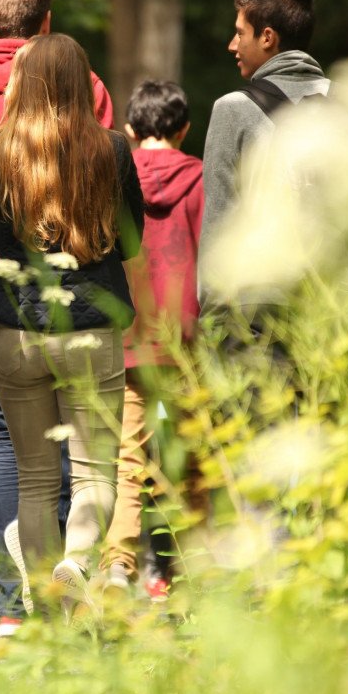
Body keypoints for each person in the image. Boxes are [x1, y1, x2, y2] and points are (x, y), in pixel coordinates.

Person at [0, 0, 114, 635]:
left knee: (21, 463)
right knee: (92, 459)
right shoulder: (105, 128)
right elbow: (119, 228)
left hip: (2, 303)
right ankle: (75, 569)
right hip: (90, 310)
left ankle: (27, 608)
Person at [0, 33, 143, 613]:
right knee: (96, 472)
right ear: (82, 83)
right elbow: (132, 240)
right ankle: (76, 565)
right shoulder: (112, 151)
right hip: (93, 326)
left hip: (17, 328)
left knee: (36, 478)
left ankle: (47, 604)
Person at [103, 80, 203, 599]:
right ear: (184, 129)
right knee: (192, 451)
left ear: (129, 130)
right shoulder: (202, 179)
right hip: (184, 337)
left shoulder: (115, 176)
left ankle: (119, 564)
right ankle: (191, 567)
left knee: (127, 456)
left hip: (129, 331)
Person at [198, 0, 328, 314]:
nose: (232, 45)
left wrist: (212, 319)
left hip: (256, 312)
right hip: (337, 313)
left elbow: (220, 224)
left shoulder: (233, 108)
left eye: (240, 33)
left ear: (267, 37)